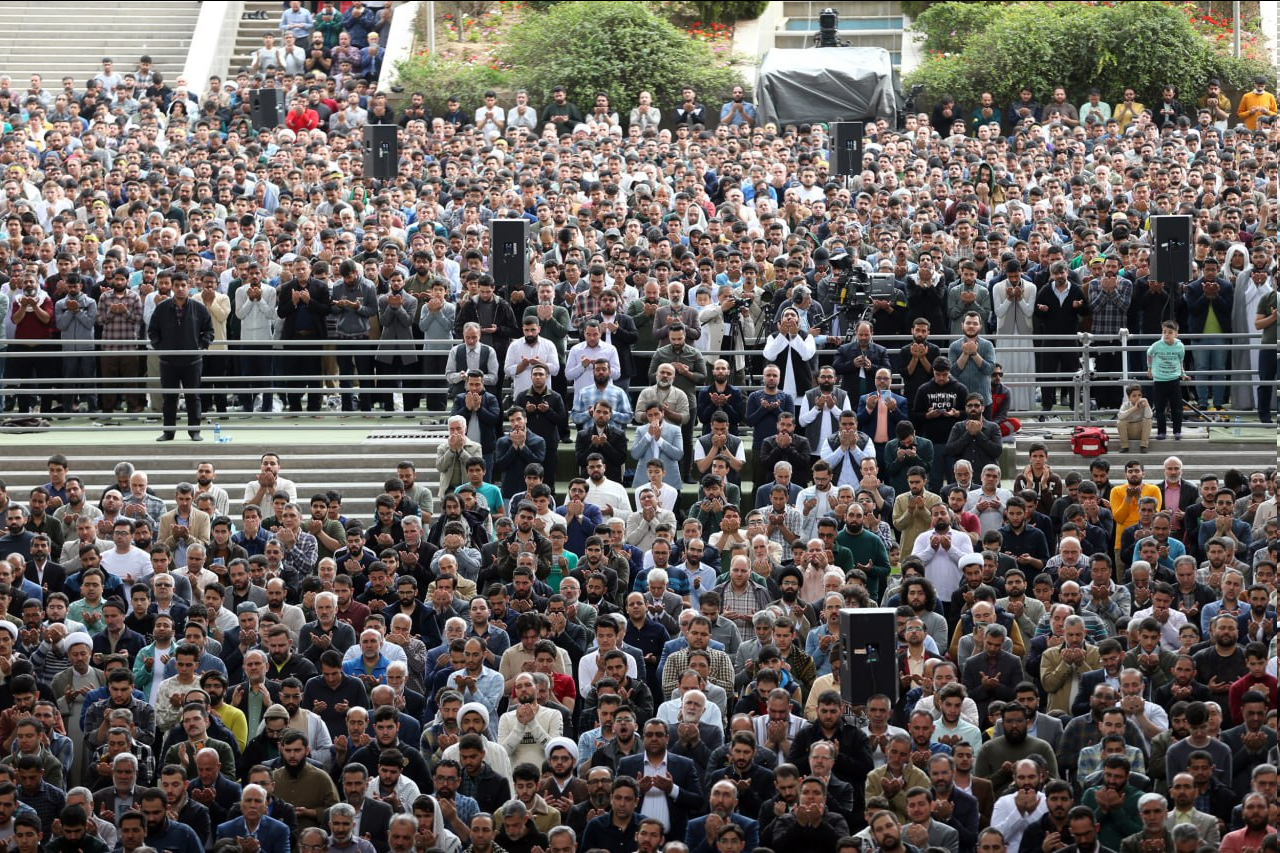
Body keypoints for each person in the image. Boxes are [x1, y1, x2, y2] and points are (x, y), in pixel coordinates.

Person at [148, 273, 214, 442]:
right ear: (172, 286)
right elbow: (153, 331)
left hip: (192, 361)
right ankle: (168, 432)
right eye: (176, 285)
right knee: (169, 398)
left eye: (183, 285)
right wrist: (162, 347)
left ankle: (194, 431)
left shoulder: (199, 308)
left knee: (193, 397)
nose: (180, 288)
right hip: (168, 361)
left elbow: (209, 331)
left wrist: (200, 345)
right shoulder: (162, 307)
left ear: (188, 285)